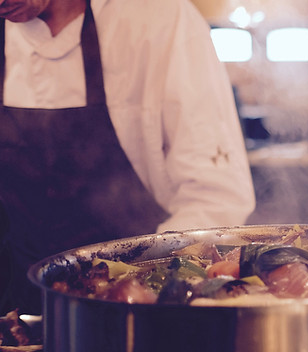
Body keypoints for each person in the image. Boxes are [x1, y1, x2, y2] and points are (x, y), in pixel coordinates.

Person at [0, 0, 256, 314]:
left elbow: (215, 197)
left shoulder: (158, 20)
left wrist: (148, 291)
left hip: (135, 313)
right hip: (14, 313)